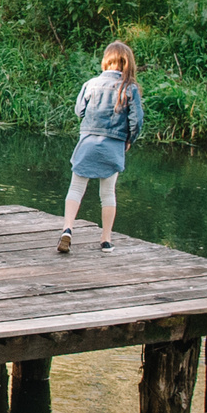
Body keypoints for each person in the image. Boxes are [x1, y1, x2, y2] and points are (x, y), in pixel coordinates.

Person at [61, 41, 143, 254]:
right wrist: (128, 140)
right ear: (127, 63)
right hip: (113, 144)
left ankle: (67, 228)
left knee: (76, 188)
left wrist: (88, 127)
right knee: (108, 193)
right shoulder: (130, 88)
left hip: (88, 141)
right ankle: (106, 239)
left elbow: (80, 110)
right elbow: (137, 122)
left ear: (107, 60)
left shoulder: (91, 84)